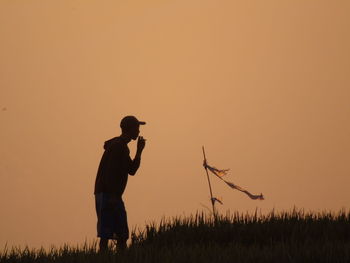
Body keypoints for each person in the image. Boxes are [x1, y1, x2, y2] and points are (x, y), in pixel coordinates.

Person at [94, 115, 146, 252]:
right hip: (108, 195)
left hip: (108, 194)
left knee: (119, 233)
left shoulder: (120, 146)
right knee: (111, 234)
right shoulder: (118, 147)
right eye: (137, 128)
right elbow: (110, 172)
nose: (139, 131)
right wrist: (112, 196)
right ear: (130, 129)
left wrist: (139, 151)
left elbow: (131, 170)